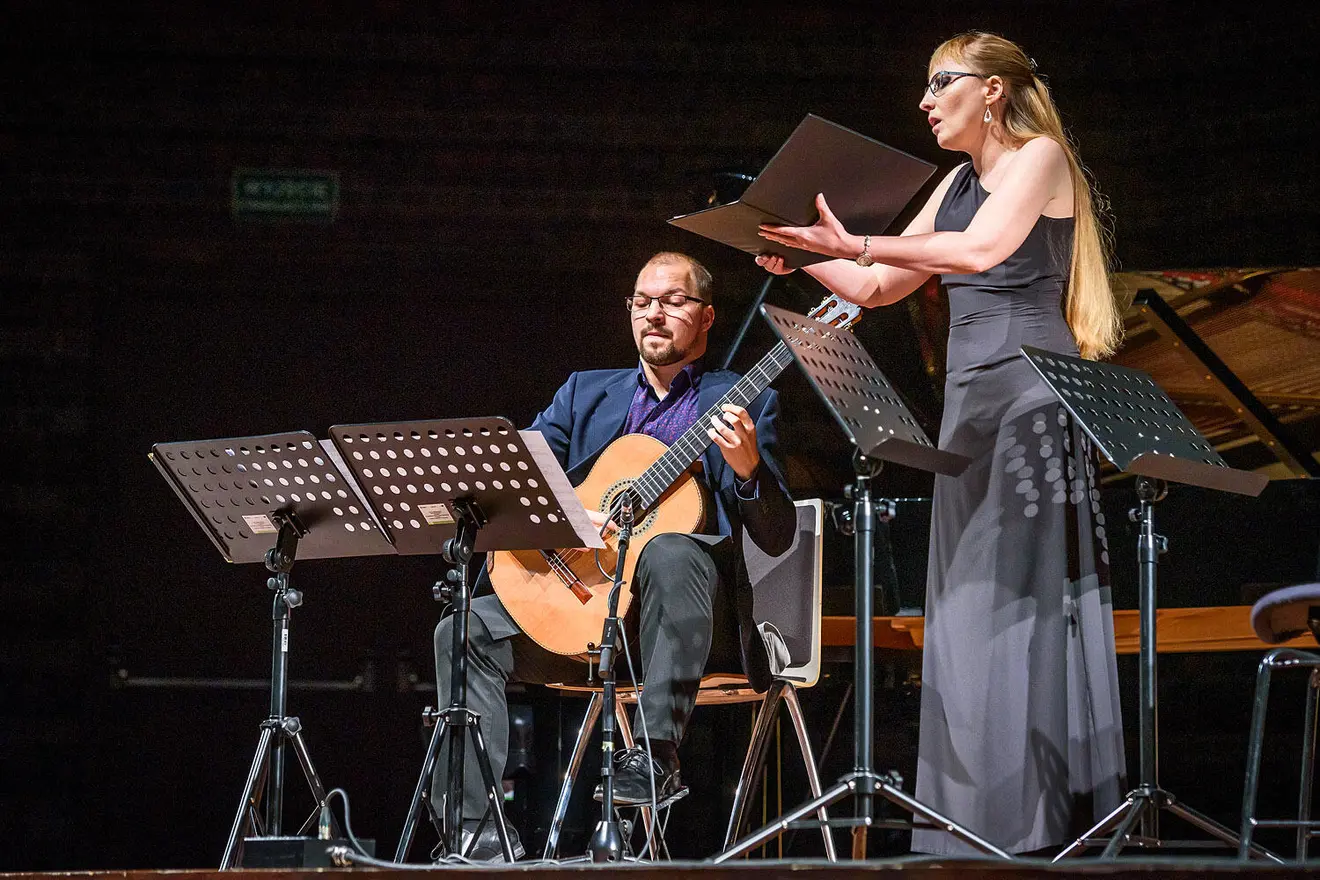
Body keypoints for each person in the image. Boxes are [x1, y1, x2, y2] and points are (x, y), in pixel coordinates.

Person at [754, 32, 1126, 855]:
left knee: (1020, 601)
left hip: (1032, 397)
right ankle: (971, 826)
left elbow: (981, 250)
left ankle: (1038, 823)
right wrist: (804, 253)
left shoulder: (1039, 158)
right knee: (961, 608)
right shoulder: (954, 183)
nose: (924, 101)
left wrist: (853, 240)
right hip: (968, 407)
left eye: (941, 82)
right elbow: (878, 286)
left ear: (992, 90)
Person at [430, 251, 796, 860]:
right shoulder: (585, 393)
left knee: (671, 549)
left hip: (684, 628)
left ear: (707, 317)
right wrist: (570, 522)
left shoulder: (741, 400)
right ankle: (476, 832)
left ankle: (654, 756)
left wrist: (749, 471)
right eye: (642, 302)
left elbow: (778, 535)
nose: (654, 314)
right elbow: (517, 484)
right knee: (461, 631)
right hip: (585, 613)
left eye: (673, 301)